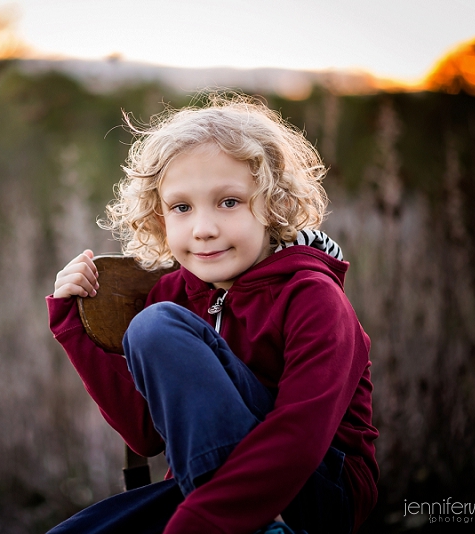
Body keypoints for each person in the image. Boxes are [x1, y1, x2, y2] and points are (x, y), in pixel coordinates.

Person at [45, 94, 378, 534]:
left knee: (156, 325)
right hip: (205, 491)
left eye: (228, 202)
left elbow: (299, 440)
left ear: (273, 204)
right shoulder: (174, 293)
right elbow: (146, 433)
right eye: (182, 207)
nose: (203, 229)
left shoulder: (313, 298)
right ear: (160, 217)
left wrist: (198, 524)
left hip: (315, 496)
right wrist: (72, 325)